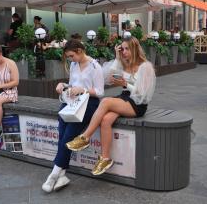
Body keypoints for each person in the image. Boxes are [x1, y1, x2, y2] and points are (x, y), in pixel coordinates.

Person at [66, 37, 156, 176]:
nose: (124, 52)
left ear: (134, 49)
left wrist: (125, 84)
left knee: (106, 101)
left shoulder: (146, 66)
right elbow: (107, 78)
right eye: (122, 49)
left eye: (127, 49)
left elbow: (143, 94)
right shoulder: (124, 63)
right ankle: (105, 158)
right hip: (125, 98)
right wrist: (117, 58)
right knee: (106, 120)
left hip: (137, 104)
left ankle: (85, 138)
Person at [42, 39, 104, 193]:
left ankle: (54, 173)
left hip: (88, 104)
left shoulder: (95, 66)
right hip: (71, 103)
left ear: (80, 51)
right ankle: (62, 174)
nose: (70, 59)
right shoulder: (74, 65)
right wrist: (63, 85)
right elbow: (72, 85)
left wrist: (82, 90)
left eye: (71, 56)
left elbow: (100, 92)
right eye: (69, 57)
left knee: (68, 136)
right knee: (63, 136)